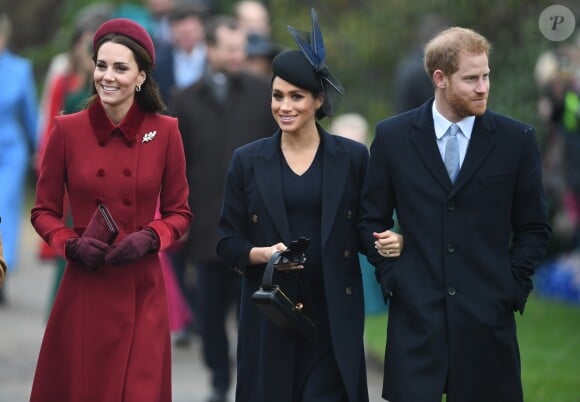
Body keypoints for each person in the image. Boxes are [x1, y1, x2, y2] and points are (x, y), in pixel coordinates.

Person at [217, 9, 401, 402]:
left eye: (296, 96)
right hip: (271, 314)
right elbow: (226, 241)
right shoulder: (247, 161)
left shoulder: (351, 159)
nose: (285, 106)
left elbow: (367, 225)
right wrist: (262, 254)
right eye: (277, 95)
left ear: (318, 100)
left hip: (332, 316)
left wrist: (387, 244)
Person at [358, 27, 551, 402]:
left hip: (488, 323)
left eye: (486, 76)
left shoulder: (516, 140)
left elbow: (534, 226)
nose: (483, 87)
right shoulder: (393, 138)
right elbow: (369, 220)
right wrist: (392, 275)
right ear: (440, 79)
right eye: (471, 79)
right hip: (415, 321)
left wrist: (512, 286)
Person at [30, 18, 192, 402]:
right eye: (102, 65)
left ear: (140, 77)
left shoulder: (166, 131)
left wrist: (151, 237)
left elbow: (180, 214)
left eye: (120, 68)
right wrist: (71, 243)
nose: (108, 76)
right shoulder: (66, 130)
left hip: (142, 287)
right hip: (85, 286)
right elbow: (43, 211)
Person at [169, 14, 278, 402]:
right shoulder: (184, 99)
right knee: (210, 316)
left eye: (240, 48)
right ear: (210, 49)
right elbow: (175, 165)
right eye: (229, 49)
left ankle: (250, 384)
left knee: (254, 313)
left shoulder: (263, 92)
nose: (237, 56)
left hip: (255, 230)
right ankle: (218, 379)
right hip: (206, 229)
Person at [0, 13, 39, 304]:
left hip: (9, 150)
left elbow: (30, 113)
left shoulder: (19, 69)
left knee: (4, 207)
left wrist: (40, 150)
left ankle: (2, 270)